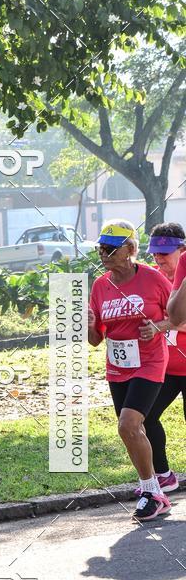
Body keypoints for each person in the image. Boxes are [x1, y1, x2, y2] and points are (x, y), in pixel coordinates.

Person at [88, 220, 171, 521]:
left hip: (149, 362)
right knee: (132, 431)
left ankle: (151, 491)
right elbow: (96, 339)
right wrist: (87, 325)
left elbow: (178, 313)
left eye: (111, 248)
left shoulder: (153, 279)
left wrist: (159, 326)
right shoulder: (100, 286)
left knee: (127, 425)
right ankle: (153, 487)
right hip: (118, 367)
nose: (104, 254)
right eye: (101, 248)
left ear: (132, 249)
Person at [140, 223, 186, 492]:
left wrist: (165, 323)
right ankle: (164, 474)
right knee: (144, 416)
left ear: (182, 250)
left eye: (165, 253)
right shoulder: (154, 278)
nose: (159, 259)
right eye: (155, 253)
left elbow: (170, 320)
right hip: (165, 367)